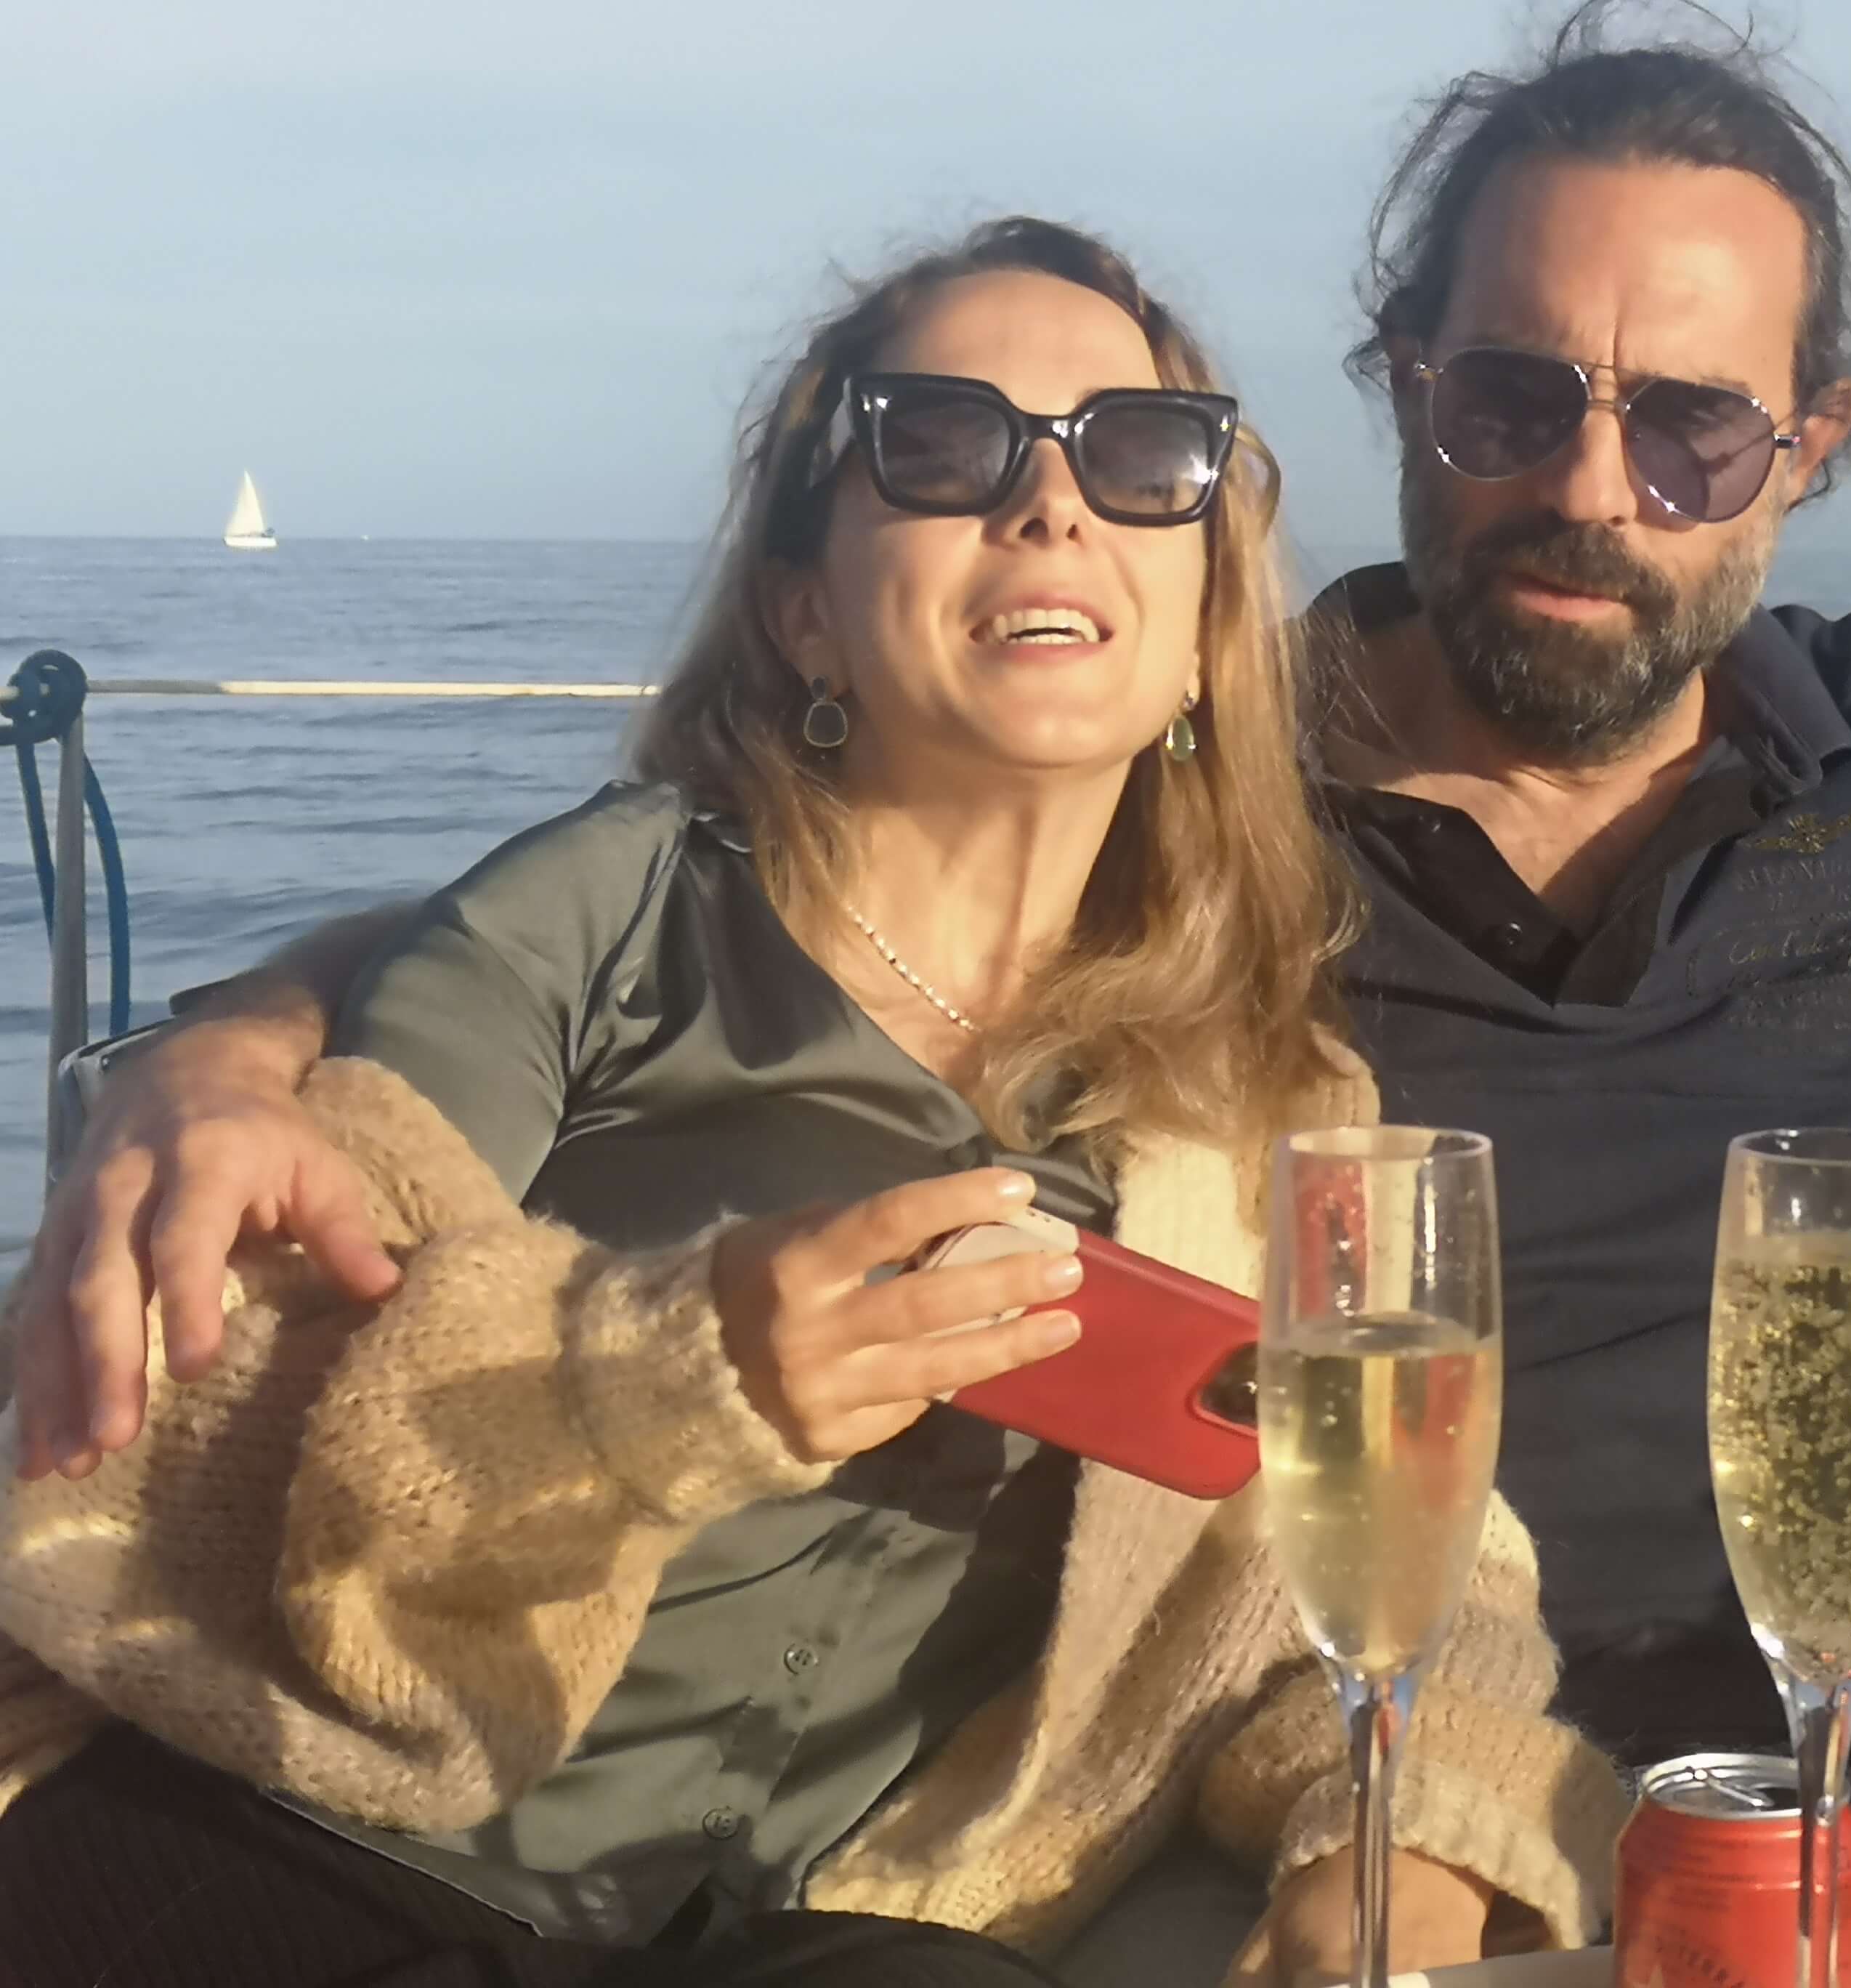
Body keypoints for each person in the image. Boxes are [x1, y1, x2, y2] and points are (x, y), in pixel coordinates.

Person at [17, 4, 1851, 1979]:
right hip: (1239, 1739)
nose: (1585, 489)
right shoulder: (1179, 792)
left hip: (1775, 1744)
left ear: (1811, 444)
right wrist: (219, 1050)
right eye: (1510, 393)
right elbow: (680, 905)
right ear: (1401, 382)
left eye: (1690, 432)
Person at [0, 217, 1624, 1988]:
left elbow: (1418, 1552)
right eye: (943, 446)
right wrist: (677, 1371)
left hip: (822, 1928)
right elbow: (264, 1394)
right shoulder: (612, 912)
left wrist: (1401, 1843)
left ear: (1206, 626)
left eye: (1145, 459)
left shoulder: (1271, 1103)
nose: (1053, 503)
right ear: (805, 609)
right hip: (316, 1835)